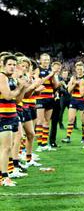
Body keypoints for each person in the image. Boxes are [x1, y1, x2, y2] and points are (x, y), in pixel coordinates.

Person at [0, 54, 28, 186]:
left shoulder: (11, 79)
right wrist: (18, 88)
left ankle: (7, 173)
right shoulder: (2, 76)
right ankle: (4, 177)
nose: (12, 67)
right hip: (3, 116)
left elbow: (17, 100)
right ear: (3, 65)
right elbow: (7, 96)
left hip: (11, 115)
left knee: (8, 147)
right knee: (5, 148)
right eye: (9, 64)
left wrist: (22, 87)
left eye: (13, 64)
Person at [34, 53, 60, 152]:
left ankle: (44, 143)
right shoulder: (37, 70)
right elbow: (38, 82)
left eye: (48, 60)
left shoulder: (51, 71)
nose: (46, 61)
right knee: (39, 121)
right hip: (40, 97)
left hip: (50, 97)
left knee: (46, 122)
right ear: (40, 60)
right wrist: (50, 74)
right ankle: (39, 144)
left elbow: (56, 86)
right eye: (44, 60)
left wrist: (54, 76)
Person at [62, 62, 84, 143]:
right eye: (78, 69)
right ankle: (68, 137)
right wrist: (75, 83)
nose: (79, 71)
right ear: (75, 69)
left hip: (83, 100)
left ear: (83, 69)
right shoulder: (73, 78)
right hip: (74, 100)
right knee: (71, 119)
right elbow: (69, 90)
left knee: (83, 120)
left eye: (81, 69)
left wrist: (80, 84)